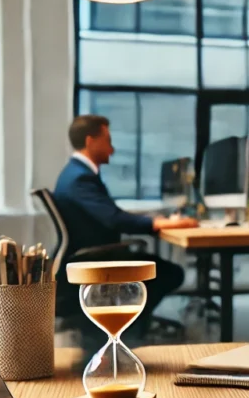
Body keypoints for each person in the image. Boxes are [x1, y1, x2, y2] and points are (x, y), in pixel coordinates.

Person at [53, 115, 197, 332]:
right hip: (96, 260)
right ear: (91, 141)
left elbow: (110, 215)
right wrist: (158, 224)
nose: (112, 149)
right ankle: (131, 330)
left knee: (160, 267)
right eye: (108, 141)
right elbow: (114, 219)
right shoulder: (79, 179)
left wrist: (156, 222)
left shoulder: (75, 174)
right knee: (170, 273)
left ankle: (132, 327)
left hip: (94, 255)